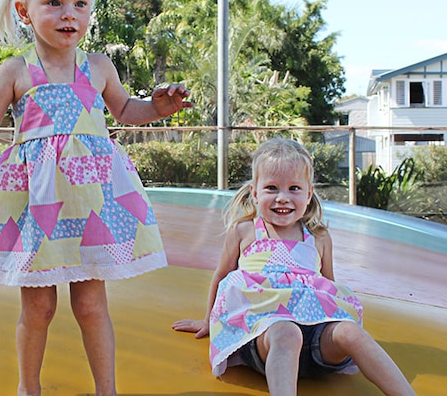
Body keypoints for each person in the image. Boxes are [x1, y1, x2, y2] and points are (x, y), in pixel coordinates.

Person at [0, 0, 192, 396]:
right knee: (38, 307)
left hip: (87, 204)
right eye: (54, 3)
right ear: (24, 11)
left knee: (91, 304)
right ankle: (29, 387)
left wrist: (156, 107)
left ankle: (107, 390)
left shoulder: (98, 66)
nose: (69, 15)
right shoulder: (16, 71)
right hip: (38, 206)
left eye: (81, 3)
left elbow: (125, 111)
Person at [172, 139, 415, 396]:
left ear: (309, 194)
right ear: (255, 193)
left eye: (294, 188)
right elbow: (222, 276)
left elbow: (330, 290)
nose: (282, 198)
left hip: (317, 345)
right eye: (272, 188)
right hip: (264, 335)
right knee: (286, 331)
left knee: (350, 331)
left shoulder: (318, 238)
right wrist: (209, 320)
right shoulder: (245, 231)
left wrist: (342, 327)